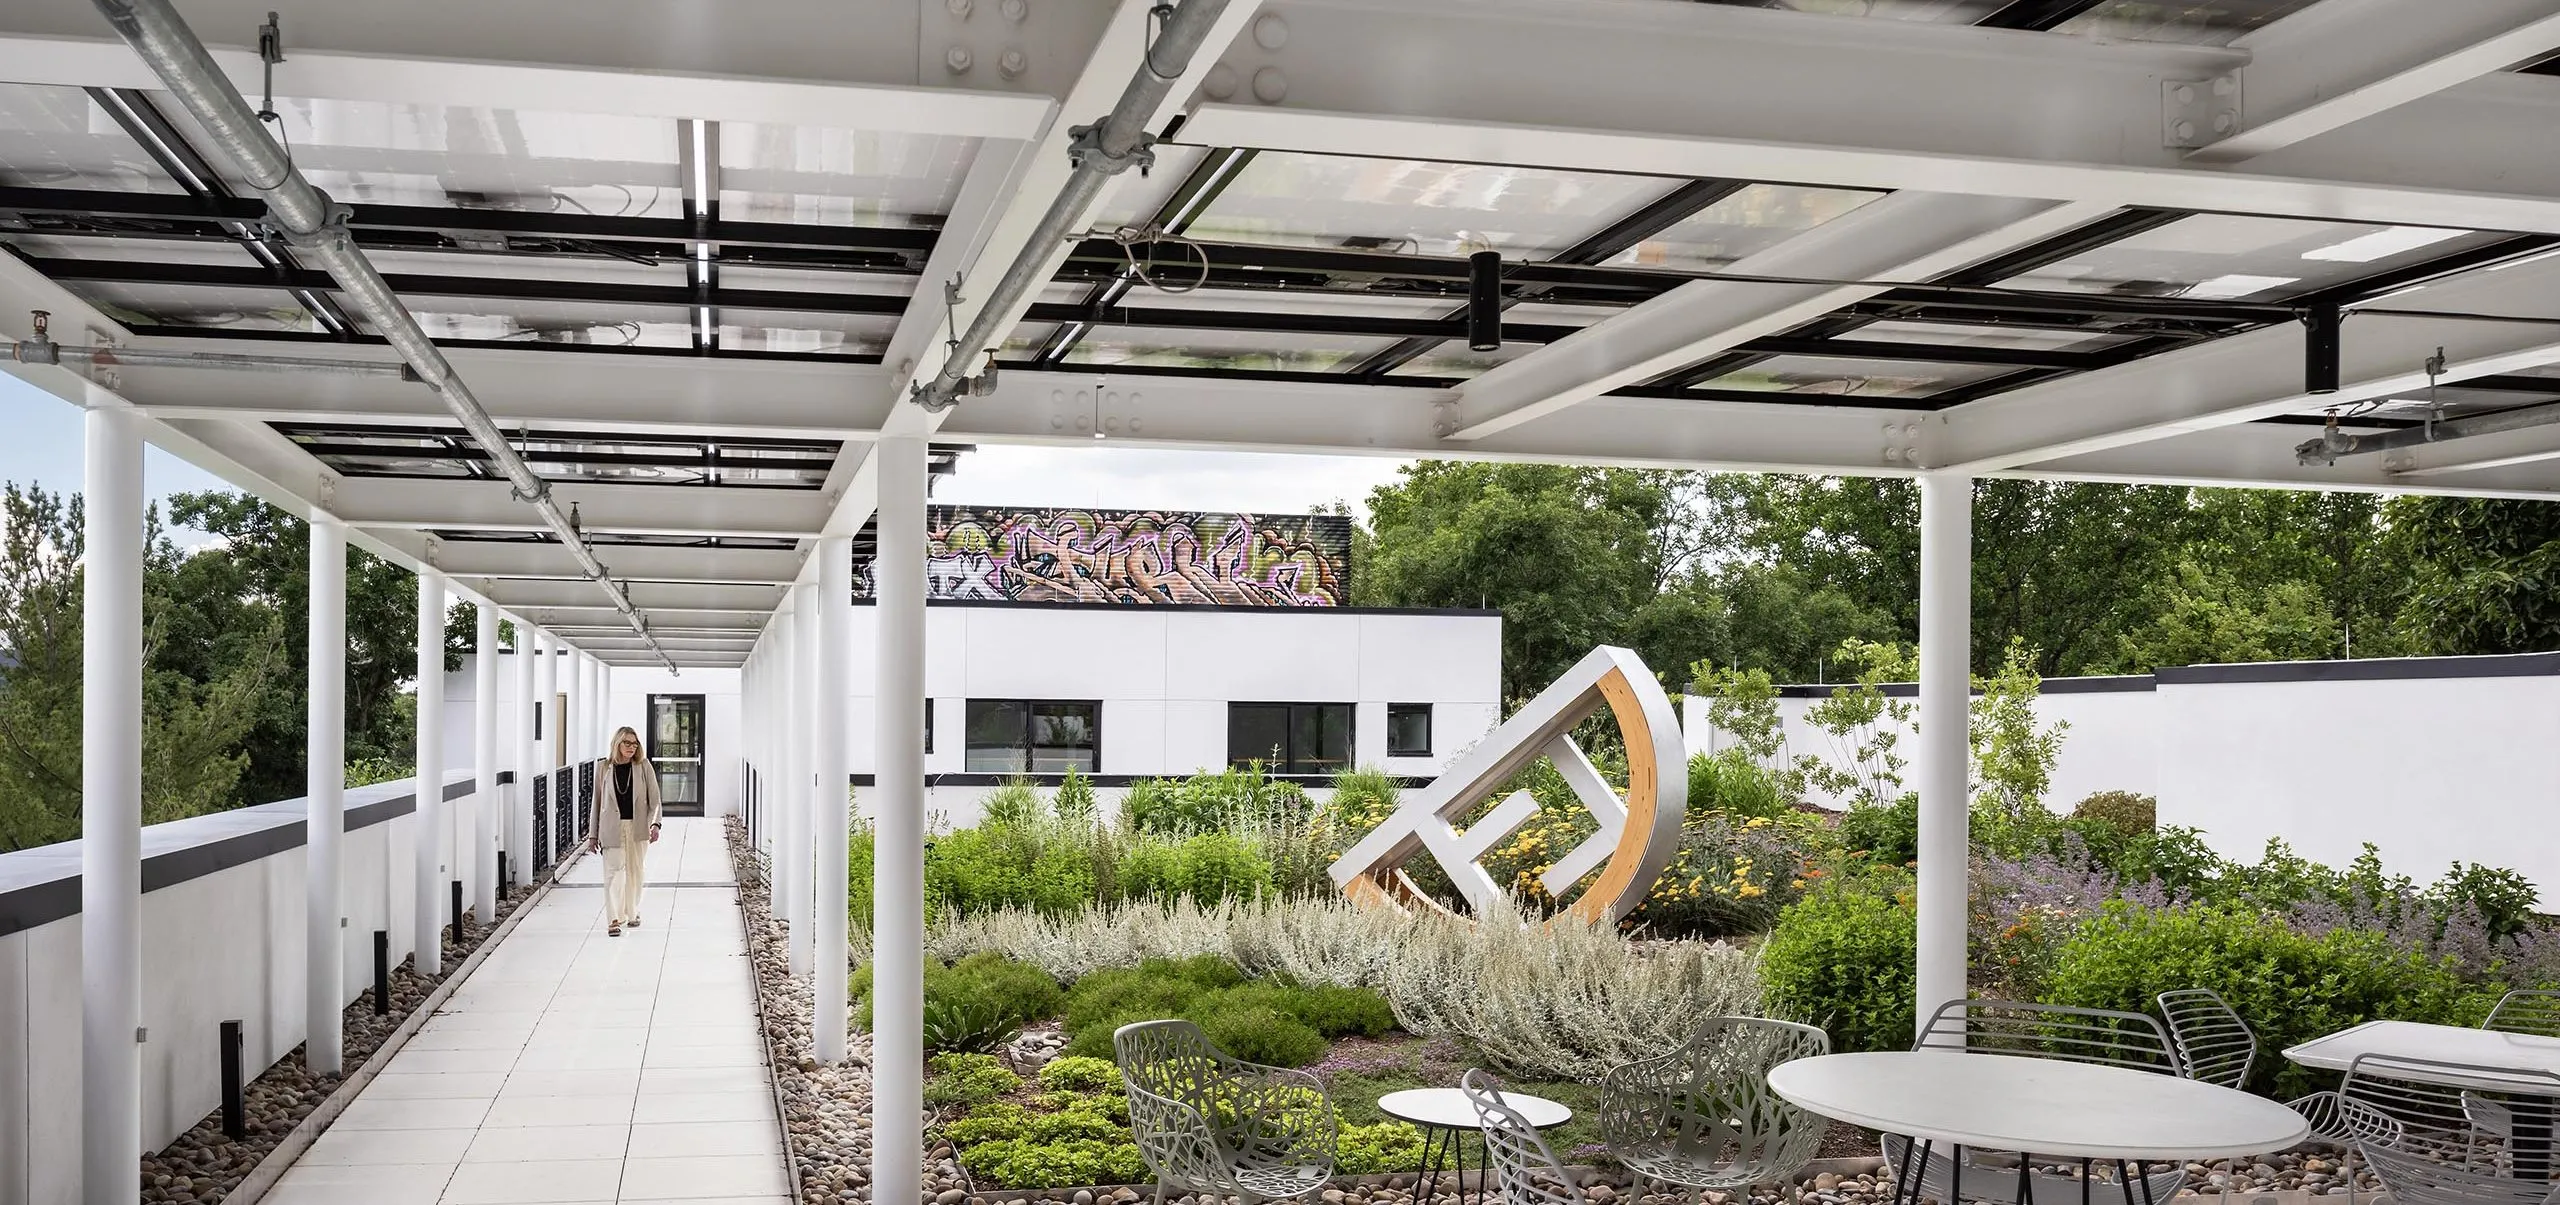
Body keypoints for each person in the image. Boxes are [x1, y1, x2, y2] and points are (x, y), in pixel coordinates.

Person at [590, 726, 662, 936]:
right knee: (614, 873)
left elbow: (655, 799)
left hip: (638, 827)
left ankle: (633, 911)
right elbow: (597, 801)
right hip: (611, 828)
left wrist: (656, 824)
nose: (631, 747)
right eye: (627, 743)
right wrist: (593, 834)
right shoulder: (603, 767)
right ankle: (614, 919)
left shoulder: (643, 766)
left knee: (635, 871)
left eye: (634, 743)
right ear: (617, 744)